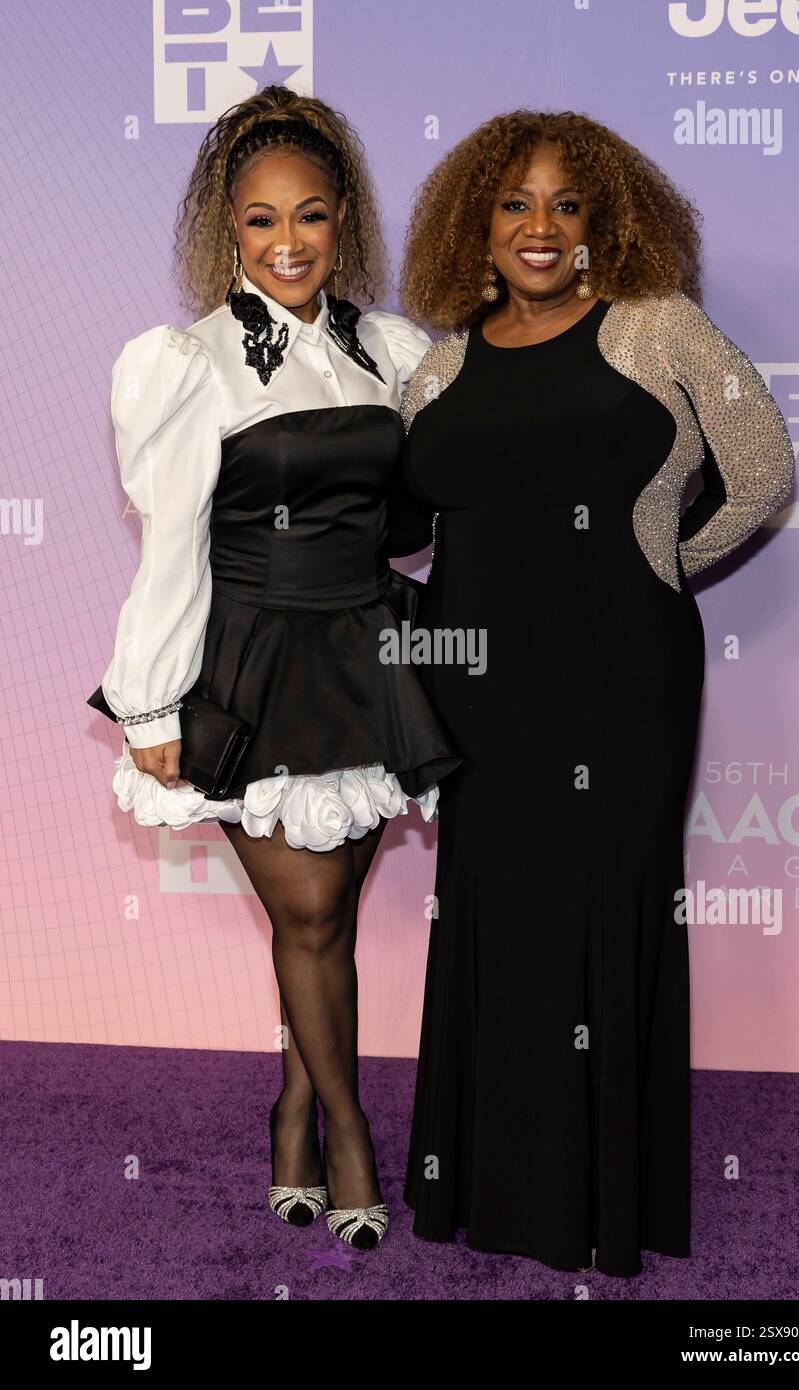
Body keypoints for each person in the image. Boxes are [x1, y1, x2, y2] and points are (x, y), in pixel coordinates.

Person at [388, 109, 795, 1277]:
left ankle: (600, 1203)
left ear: (603, 219)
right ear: (477, 219)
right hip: (478, 693)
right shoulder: (440, 361)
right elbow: (406, 522)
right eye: (514, 202)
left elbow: (760, 465)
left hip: (618, 682)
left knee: (599, 915)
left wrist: (660, 561)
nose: (538, 226)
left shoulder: (657, 327)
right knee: (491, 915)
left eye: (565, 204)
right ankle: (482, 1190)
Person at [87, 85, 459, 1251]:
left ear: (341, 219)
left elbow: (419, 513)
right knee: (305, 917)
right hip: (248, 658)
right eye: (259, 221)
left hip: (368, 649)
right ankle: (347, 1136)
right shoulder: (185, 364)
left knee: (329, 916)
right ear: (228, 231)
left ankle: (292, 1106)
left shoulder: (390, 348)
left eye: (307, 216)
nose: (286, 243)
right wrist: (148, 696)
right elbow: (175, 541)